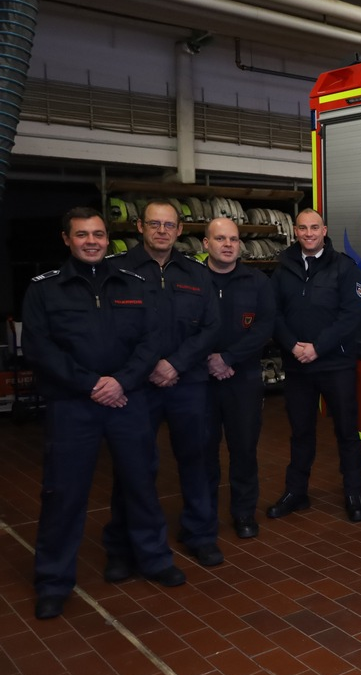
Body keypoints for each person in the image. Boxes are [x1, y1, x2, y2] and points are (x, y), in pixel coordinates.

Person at [22, 207, 184, 620]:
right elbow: (39, 349)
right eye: (82, 235)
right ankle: (53, 581)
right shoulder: (45, 289)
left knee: (141, 483)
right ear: (66, 239)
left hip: (127, 401)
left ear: (108, 238)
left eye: (97, 234)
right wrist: (91, 384)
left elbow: (151, 341)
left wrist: (121, 382)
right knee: (63, 494)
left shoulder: (133, 284)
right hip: (73, 405)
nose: (91, 241)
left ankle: (154, 559)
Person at [104, 199, 222, 571]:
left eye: (169, 225)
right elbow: (109, 330)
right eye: (154, 224)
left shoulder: (195, 272)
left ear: (179, 230)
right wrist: (145, 367)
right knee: (133, 466)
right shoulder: (116, 270)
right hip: (137, 386)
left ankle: (200, 535)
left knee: (196, 460)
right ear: (140, 226)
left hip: (188, 383)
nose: (162, 231)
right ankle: (123, 546)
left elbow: (211, 327)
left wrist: (175, 363)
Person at [267, 208, 361, 522]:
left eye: (314, 228)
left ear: (324, 231)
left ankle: (354, 494)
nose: (308, 233)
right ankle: (296, 492)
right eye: (302, 228)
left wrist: (318, 347)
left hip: (336, 365)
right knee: (300, 433)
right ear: (295, 232)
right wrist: (292, 345)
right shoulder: (283, 268)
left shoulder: (344, 268)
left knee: (347, 432)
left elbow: (351, 315)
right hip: (298, 366)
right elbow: (273, 313)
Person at [202, 217, 275, 539]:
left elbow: (264, 327)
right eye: (220, 239)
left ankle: (244, 513)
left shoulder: (257, 281)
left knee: (244, 449)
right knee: (202, 450)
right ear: (206, 243)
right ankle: (203, 515)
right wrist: (208, 360)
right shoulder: (193, 281)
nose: (228, 244)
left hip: (243, 378)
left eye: (233, 239)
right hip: (201, 379)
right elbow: (183, 326)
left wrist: (228, 358)